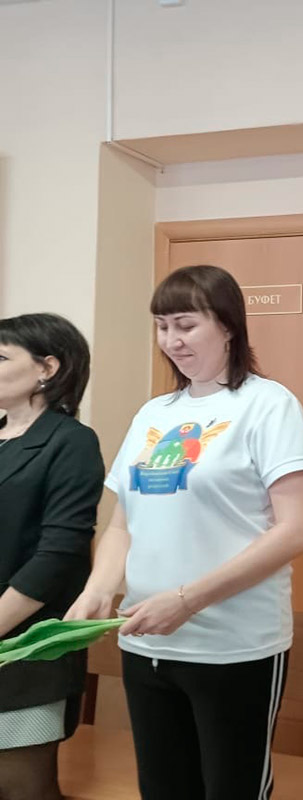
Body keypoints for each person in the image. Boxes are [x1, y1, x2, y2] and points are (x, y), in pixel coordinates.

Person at [66, 265, 303, 800]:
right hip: (146, 642)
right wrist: (97, 590)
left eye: (186, 325)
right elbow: (123, 523)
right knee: (163, 788)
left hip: (234, 646)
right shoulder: (154, 413)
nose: (171, 341)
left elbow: (297, 531)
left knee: (232, 789)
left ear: (227, 326)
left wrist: (186, 600)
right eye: (162, 327)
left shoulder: (268, 405)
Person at [0, 313, 103, 800]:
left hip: (27, 648)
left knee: (21, 788)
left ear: (47, 368)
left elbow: (58, 555)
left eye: (0, 357)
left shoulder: (70, 442)